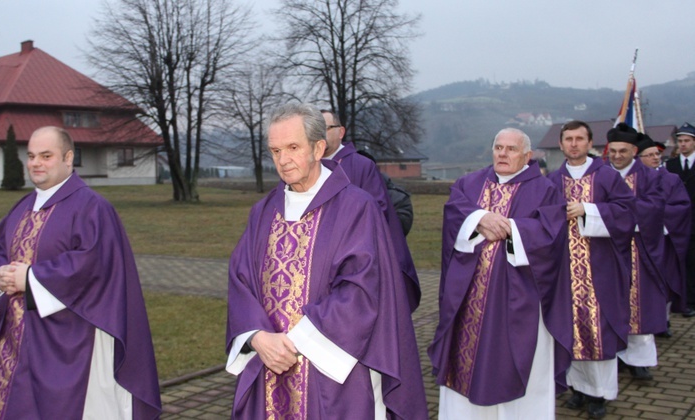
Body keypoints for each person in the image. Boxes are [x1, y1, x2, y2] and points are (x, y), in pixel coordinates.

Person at [225, 103, 427, 419]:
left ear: (319, 148)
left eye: (293, 147)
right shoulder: (262, 213)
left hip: (336, 374)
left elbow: (362, 289)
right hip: (270, 368)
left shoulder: (356, 208)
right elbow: (240, 281)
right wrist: (256, 337)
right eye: (275, 150)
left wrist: (294, 342)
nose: (283, 160)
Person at [0, 127, 161, 419]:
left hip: (73, 339)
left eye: (46, 156)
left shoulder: (92, 207)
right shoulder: (22, 207)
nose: (36, 163)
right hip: (14, 341)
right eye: (32, 156)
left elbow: (93, 264)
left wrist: (32, 278)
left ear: (68, 158)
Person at [428, 128, 572, 419]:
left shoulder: (545, 190)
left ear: (527, 156)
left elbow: (551, 236)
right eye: (498, 147)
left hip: (521, 302)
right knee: (463, 365)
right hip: (467, 300)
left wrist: (511, 228)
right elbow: (454, 212)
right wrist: (478, 218)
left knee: (515, 365)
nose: (503, 154)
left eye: (511, 149)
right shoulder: (470, 183)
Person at [547, 120, 636, 418]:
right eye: (568, 139)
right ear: (560, 144)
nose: (573, 144)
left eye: (579, 139)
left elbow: (627, 212)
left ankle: (598, 393)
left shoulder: (607, 177)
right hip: (562, 271)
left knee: (598, 329)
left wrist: (589, 210)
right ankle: (575, 387)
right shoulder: (550, 181)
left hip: (600, 268)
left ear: (590, 143)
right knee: (566, 327)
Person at [320, 109, 420, 311]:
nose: (318, 134)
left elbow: (376, 212)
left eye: (325, 128)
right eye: (313, 129)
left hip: (354, 259)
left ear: (341, 132)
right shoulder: (309, 167)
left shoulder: (362, 165)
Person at [605, 124, 667, 383]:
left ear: (634, 151)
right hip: (606, 250)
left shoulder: (649, 176)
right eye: (613, 151)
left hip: (638, 248)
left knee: (638, 305)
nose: (617, 156)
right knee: (609, 304)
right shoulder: (600, 174)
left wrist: (619, 213)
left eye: (623, 151)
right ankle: (614, 355)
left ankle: (639, 361)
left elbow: (655, 207)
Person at [637, 134, 692, 334]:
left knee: (665, 281)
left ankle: (664, 320)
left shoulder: (671, 179)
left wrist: (656, 219)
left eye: (657, 154)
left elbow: (681, 207)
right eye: (649, 154)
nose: (655, 158)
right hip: (637, 243)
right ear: (638, 158)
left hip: (663, 241)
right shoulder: (631, 181)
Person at [664, 122, 695, 318]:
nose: (683, 144)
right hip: (678, 223)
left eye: (687, 141)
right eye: (680, 141)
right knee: (681, 261)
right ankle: (685, 300)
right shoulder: (671, 165)